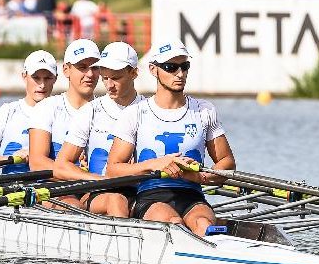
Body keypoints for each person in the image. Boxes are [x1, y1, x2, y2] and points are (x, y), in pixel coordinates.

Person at [106, 41, 236, 236]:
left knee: (203, 224)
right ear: (153, 70)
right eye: (170, 67)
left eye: (185, 66)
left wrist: (198, 177)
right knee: (174, 223)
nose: (180, 73)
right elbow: (113, 169)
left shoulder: (204, 110)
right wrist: (156, 164)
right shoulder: (135, 114)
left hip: (192, 194)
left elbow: (227, 162)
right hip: (151, 196)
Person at [52, 42, 145, 217]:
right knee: (116, 200)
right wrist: (99, 180)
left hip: (142, 193)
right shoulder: (91, 111)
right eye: (105, 78)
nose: (109, 85)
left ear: (134, 73)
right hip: (98, 192)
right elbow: (61, 166)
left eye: (115, 78)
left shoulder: (149, 110)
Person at [27, 39, 101, 207]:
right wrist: (81, 174)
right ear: (66, 70)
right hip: (54, 186)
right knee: (74, 207)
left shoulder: (107, 110)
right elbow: (37, 163)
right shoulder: (47, 108)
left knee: (118, 203)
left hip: (96, 185)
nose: (90, 74)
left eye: (95, 67)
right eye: (82, 67)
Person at [0, 50, 58, 174]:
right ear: (24, 76)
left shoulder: (64, 113)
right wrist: (11, 159)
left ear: (55, 79)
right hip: (12, 188)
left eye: (47, 78)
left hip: (52, 189)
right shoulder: (6, 113)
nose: (42, 85)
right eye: (36, 78)